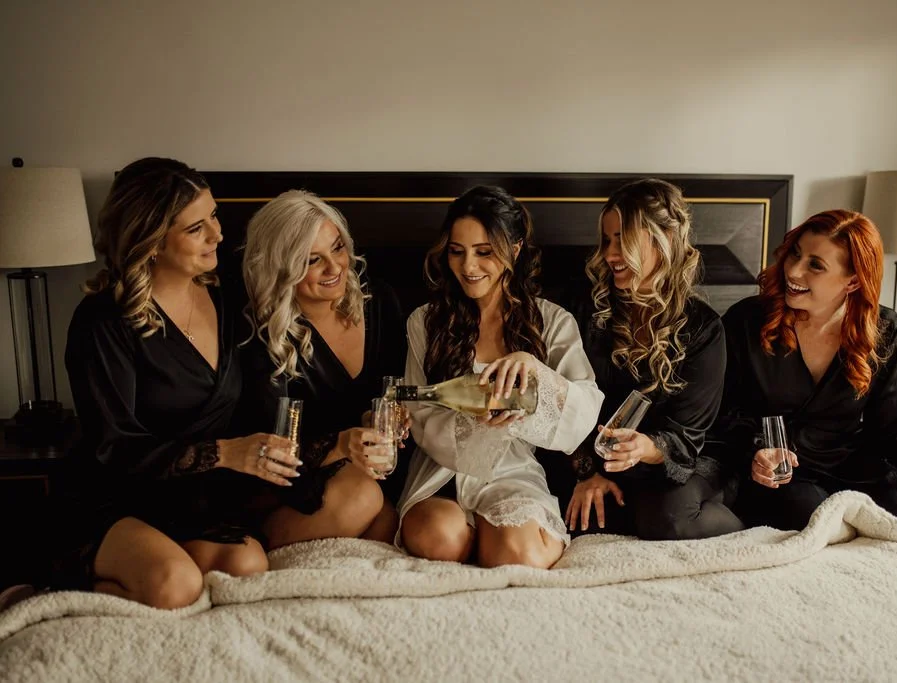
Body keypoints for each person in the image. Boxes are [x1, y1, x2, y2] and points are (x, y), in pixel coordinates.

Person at [58, 158, 299, 609]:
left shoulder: (228, 295)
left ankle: (160, 564)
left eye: (214, 216)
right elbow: (114, 447)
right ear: (150, 241)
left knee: (247, 565)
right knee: (175, 585)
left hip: (193, 499)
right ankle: (53, 586)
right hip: (115, 497)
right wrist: (225, 453)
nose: (217, 234)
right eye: (195, 228)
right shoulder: (103, 321)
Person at [397, 185, 603, 568]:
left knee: (520, 555)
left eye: (484, 252)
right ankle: (475, 536)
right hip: (442, 472)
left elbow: (583, 414)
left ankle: (496, 536)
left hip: (512, 471)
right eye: (457, 251)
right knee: (439, 540)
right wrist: (473, 421)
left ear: (515, 248)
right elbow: (418, 411)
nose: (468, 267)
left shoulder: (551, 322)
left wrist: (534, 369)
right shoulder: (425, 322)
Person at [712, 209, 897, 532]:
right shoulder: (745, 321)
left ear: (853, 281)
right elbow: (719, 413)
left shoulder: (884, 329)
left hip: (849, 467)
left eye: (815, 265)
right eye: (795, 254)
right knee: (810, 514)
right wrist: (756, 449)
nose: (793, 270)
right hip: (775, 474)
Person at [565, 178, 744, 540]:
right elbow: (564, 401)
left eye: (624, 240)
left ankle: (741, 524)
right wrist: (587, 473)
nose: (610, 254)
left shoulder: (704, 328)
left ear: (664, 240)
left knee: (668, 518)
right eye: (607, 240)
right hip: (603, 457)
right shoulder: (587, 311)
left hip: (686, 458)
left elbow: (688, 436)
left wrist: (647, 448)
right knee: (578, 516)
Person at [240, 190, 408, 547]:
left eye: (337, 248)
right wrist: (340, 445)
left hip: (371, 474)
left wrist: (390, 418)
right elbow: (272, 450)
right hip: (290, 485)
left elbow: (398, 391)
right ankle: (261, 543)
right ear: (281, 268)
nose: (335, 268)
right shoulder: (263, 335)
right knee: (364, 498)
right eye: (312, 260)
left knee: (386, 521)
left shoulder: (380, 302)